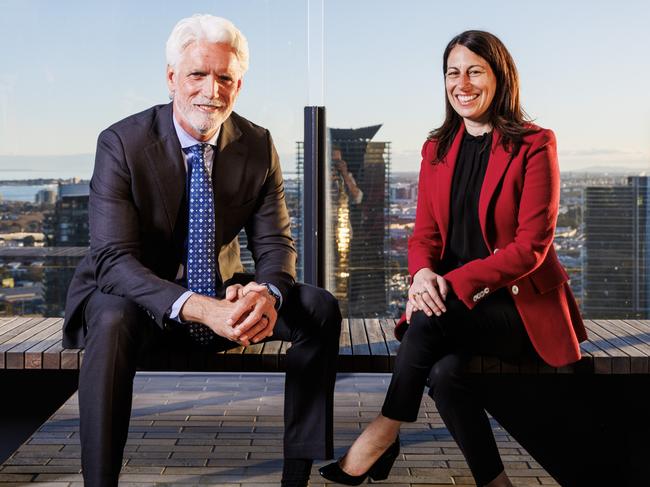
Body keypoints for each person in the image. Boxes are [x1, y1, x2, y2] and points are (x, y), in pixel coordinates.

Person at [63, 14, 341, 487]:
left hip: (220, 296)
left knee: (319, 308)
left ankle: (297, 475)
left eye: (225, 78)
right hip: (135, 302)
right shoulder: (122, 143)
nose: (211, 90)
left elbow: (274, 243)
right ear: (172, 78)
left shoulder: (257, 144)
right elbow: (112, 260)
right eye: (197, 74)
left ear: (239, 84)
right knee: (110, 319)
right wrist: (197, 307)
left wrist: (267, 295)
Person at [319, 30, 586, 487]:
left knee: (427, 321)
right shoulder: (436, 149)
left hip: (517, 308)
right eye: (453, 73)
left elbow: (531, 248)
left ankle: (381, 434)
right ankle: (494, 482)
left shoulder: (535, 144)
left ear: (500, 78)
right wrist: (423, 273)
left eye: (475, 71)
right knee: (443, 373)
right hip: (453, 308)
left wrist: (450, 283)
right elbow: (424, 234)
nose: (462, 83)